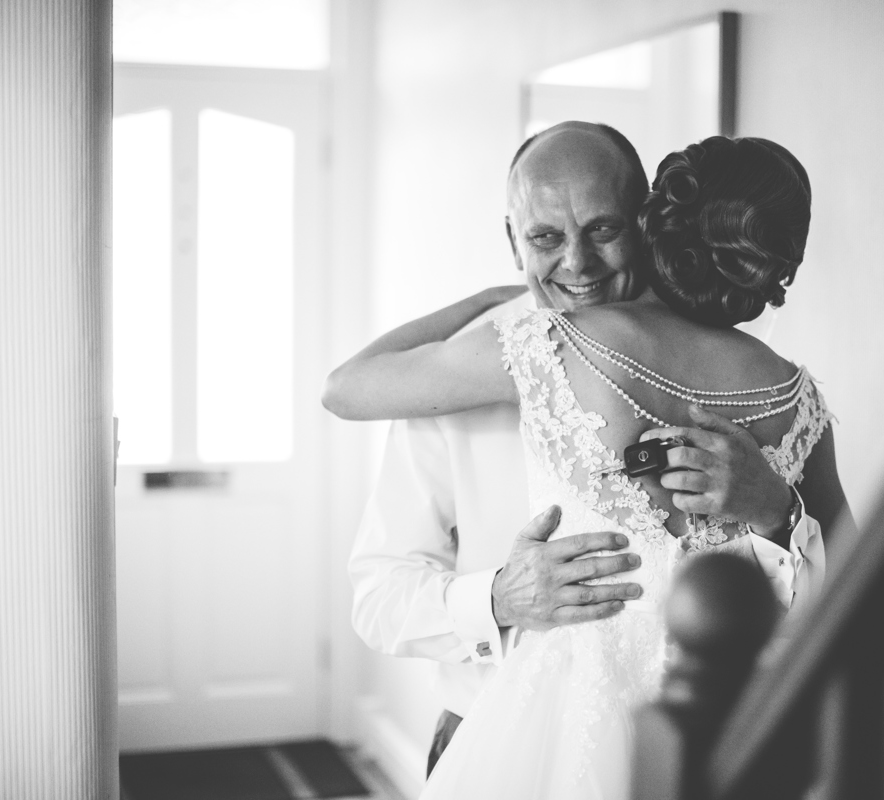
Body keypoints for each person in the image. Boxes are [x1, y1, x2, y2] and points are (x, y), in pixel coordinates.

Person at [326, 133, 851, 799]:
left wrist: (777, 512)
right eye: (544, 238)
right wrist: (496, 598)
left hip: (709, 744)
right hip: (497, 738)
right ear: (513, 240)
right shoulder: (467, 369)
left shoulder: (762, 386)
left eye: (602, 228)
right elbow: (378, 597)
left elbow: (847, 583)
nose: (577, 262)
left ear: (646, 222)